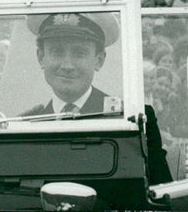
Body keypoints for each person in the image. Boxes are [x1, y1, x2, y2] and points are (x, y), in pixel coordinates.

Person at [22, 11, 172, 185]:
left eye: (79, 53)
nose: (67, 65)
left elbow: (162, 194)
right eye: (57, 52)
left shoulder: (133, 120)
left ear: (99, 60)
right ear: (41, 58)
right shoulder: (25, 126)